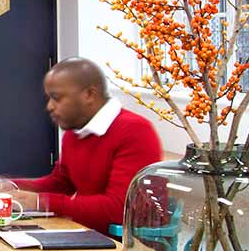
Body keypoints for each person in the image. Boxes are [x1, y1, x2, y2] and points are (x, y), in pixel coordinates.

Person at [8, 57, 162, 233]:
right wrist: (10, 186)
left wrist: (41, 202)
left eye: (56, 98)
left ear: (89, 95)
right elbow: (61, 184)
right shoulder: (75, 133)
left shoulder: (135, 131)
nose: (49, 106)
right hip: (90, 231)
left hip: (127, 242)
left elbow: (119, 209)